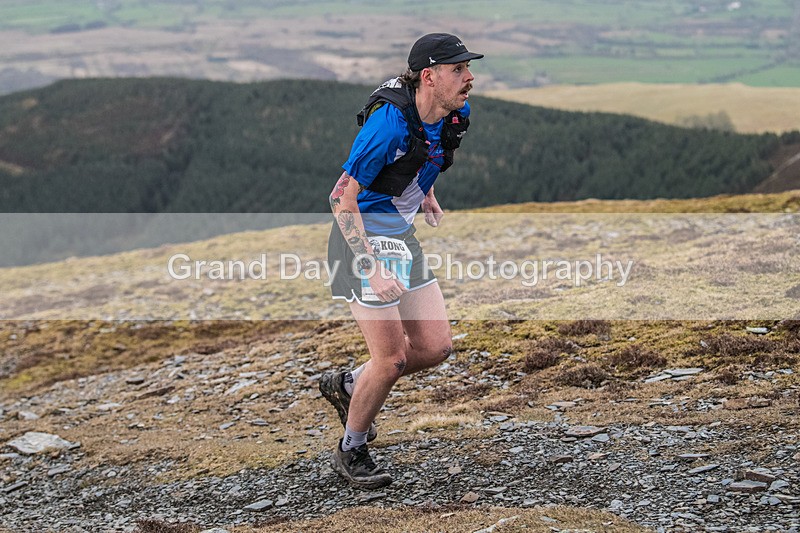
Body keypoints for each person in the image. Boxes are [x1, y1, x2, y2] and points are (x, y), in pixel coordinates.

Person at [320, 33, 483, 489]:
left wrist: (425, 193)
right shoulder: (387, 125)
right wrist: (370, 266)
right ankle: (351, 449)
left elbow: (425, 156)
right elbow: (340, 198)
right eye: (458, 69)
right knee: (390, 359)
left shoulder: (455, 114)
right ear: (429, 77)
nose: (469, 78)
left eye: (468, 68)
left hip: (400, 236)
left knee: (435, 347)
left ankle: (349, 385)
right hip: (361, 240)